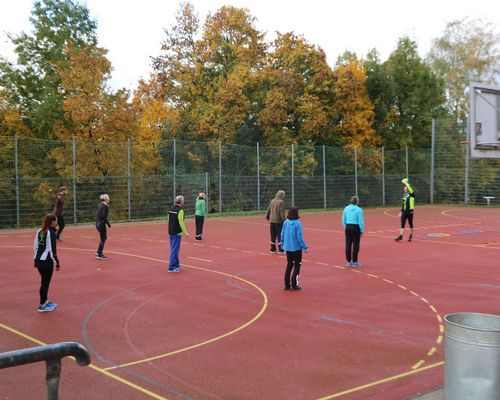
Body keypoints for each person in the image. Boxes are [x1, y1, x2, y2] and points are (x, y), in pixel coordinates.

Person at [33, 214, 61, 312]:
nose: (57, 223)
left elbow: (35, 247)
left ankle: (44, 301)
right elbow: (53, 250)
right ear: (52, 222)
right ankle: (42, 305)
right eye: (56, 221)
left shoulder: (40, 231)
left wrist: (36, 258)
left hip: (38, 260)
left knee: (44, 281)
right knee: (45, 283)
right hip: (47, 261)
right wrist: (57, 262)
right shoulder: (51, 233)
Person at [281, 207, 308, 291]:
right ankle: (294, 284)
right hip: (296, 248)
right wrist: (304, 246)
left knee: (289, 264)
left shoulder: (286, 222)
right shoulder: (298, 223)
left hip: (288, 247)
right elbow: (299, 237)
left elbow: (282, 234)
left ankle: (286, 284)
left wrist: (282, 244)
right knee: (297, 265)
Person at [168, 195, 189, 272]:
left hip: (171, 231)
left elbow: (168, 220)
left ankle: (176, 264)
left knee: (174, 249)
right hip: (177, 232)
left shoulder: (171, 209)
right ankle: (171, 267)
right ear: (181, 202)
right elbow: (181, 222)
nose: (184, 201)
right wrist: (185, 232)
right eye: (183, 200)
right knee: (174, 250)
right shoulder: (180, 210)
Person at [342, 196, 364, 267]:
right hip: (356, 228)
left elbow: (343, 219)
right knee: (356, 245)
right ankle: (354, 261)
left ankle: (348, 261)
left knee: (348, 244)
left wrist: (345, 227)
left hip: (348, 227)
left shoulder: (346, 208)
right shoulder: (359, 210)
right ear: (357, 202)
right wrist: (361, 230)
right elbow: (361, 221)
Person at [395, 178, 415, 242]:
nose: (405, 190)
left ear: (408, 190)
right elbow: (403, 205)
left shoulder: (412, 195)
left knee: (410, 223)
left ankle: (411, 235)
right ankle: (401, 236)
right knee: (402, 224)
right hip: (404, 212)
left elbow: (410, 189)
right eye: (404, 189)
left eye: (406, 189)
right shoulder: (404, 196)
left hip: (410, 212)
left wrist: (406, 183)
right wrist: (401, 212)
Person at [96, 194, 111, 260]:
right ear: (105, 199)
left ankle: (98, 251)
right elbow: (104, 216)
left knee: (102, 237)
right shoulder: (105, 206)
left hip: (97, 223)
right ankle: (100, 254)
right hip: (101, 224)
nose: (108, 200)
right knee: (104, 238)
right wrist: (108, 224)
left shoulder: (100, 205)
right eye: (108, 198)